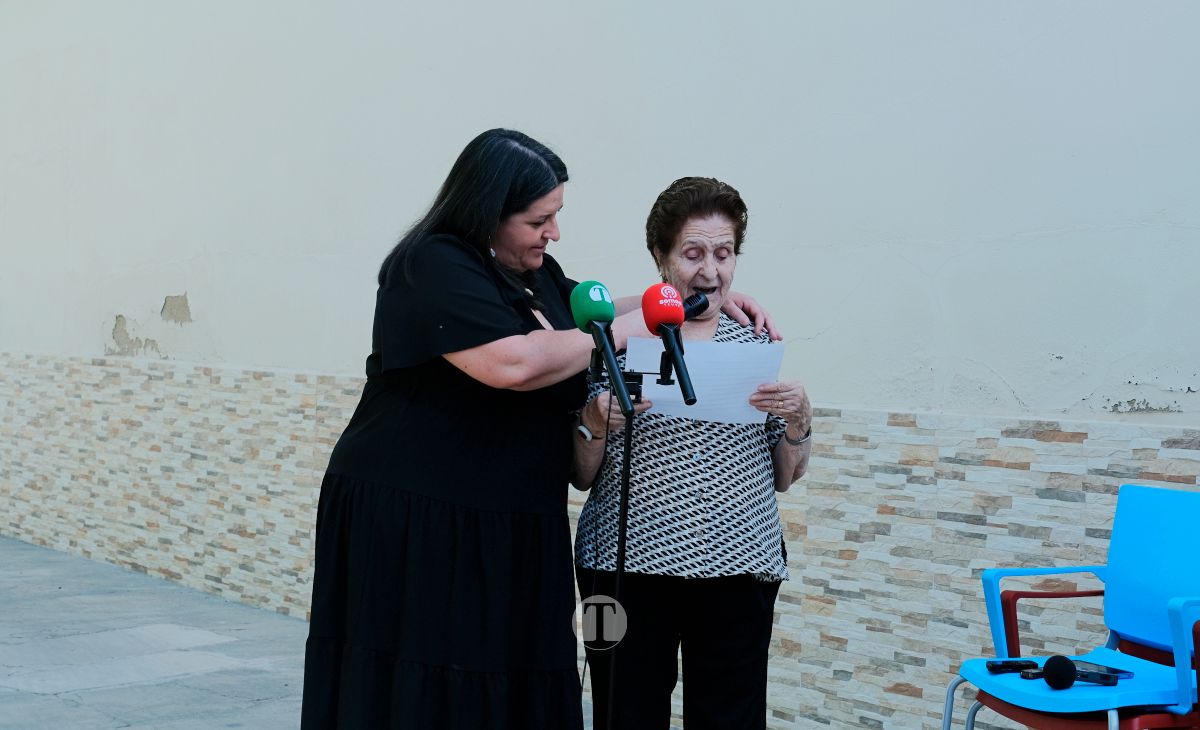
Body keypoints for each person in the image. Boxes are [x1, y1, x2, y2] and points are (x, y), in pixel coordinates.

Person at [301, 131, 777, 729]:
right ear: (486, 213)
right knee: (429, 674)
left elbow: (599, 306)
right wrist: (642, 326)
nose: (553, 232)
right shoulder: (433, 264)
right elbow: (515, 363)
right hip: (423, 518)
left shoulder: (535, 273)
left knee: (508, 675)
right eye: (539, 220)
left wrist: (697, 298)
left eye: (556, 216)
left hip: (509, 518)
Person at [572, 176, 813, 730]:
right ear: (660, 257)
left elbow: (785, 475)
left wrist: (799, 420)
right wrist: (593, 421)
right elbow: (581, 475)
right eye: (693, 253)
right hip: (620, 569)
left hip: (739, 568)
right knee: (620, 713)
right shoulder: (615, 343)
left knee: (731, 716)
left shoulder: (757, 346)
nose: (710, 270)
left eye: (724, 254)